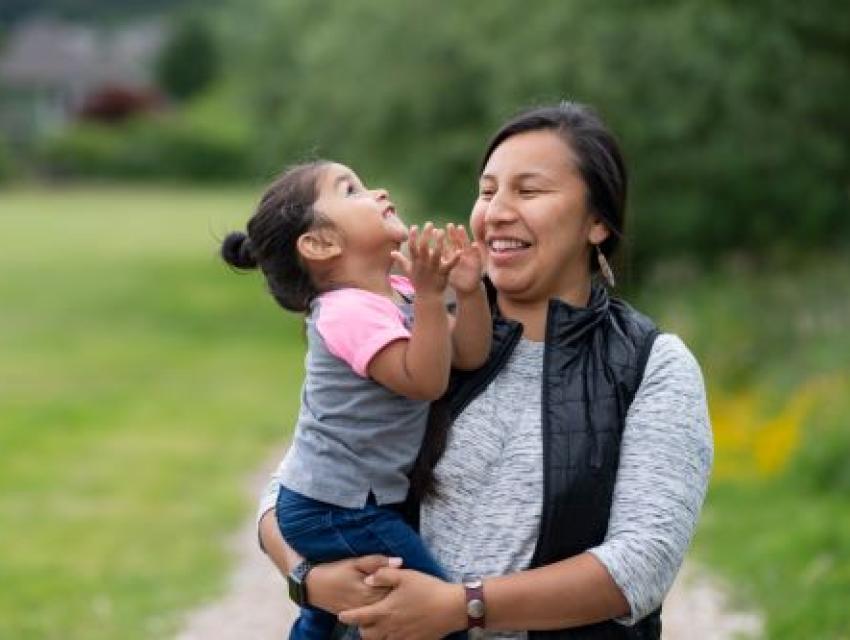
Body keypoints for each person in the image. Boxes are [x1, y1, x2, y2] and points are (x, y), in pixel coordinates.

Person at [256, 102, 714, 639]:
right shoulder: (425, 331)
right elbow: (292, 486)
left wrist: (461, 606)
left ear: (596, 222)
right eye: (489, 189)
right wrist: (308, 579)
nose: (496, 210)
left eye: (529, 190)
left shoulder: (651, 364)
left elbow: (641, 565)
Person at [221, 161, 491, 639]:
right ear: (320, 243)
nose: (378, 190)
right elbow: (424, 381)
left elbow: (467, 355)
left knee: (329, 615)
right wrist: (432, 299)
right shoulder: (345, 312)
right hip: (335, 507)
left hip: (346, 501)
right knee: (436, 609)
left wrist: (466, 294)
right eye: (351, 190)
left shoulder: (400, 293)